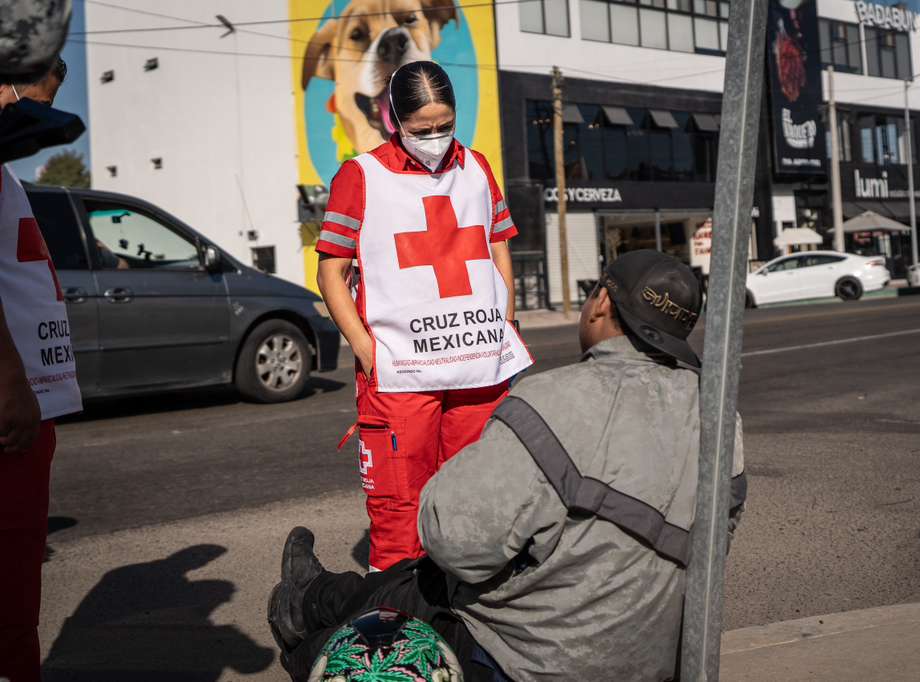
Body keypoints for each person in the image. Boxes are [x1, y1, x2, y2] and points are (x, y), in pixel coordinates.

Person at [270, 250, 747, 681]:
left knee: (400, 603)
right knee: (399, 585)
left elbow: (455, 544)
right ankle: (313, 593)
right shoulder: (724, 419)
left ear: (601, 303)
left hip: (531, 657)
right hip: (656, 653)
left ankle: (301, 619)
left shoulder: (552, 399)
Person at [316, 60, 532, 572]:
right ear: (395, 120)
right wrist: (366, 351)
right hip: (401, 376)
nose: (436, 138)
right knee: (399, 504)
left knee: (476, 498)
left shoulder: (477, 167)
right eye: (422, 130)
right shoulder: (360, 176)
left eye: (444, 125)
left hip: (479, 369)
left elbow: (497, 248)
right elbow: (331, 274)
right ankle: (397, 625)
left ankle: (474, 613)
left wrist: (506, 323)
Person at [0, 57, 82, 682]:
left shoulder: (7, 177)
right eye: (29, 99)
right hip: (13, 411)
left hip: (31, 407)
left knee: (19, 589)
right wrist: (11, 383)